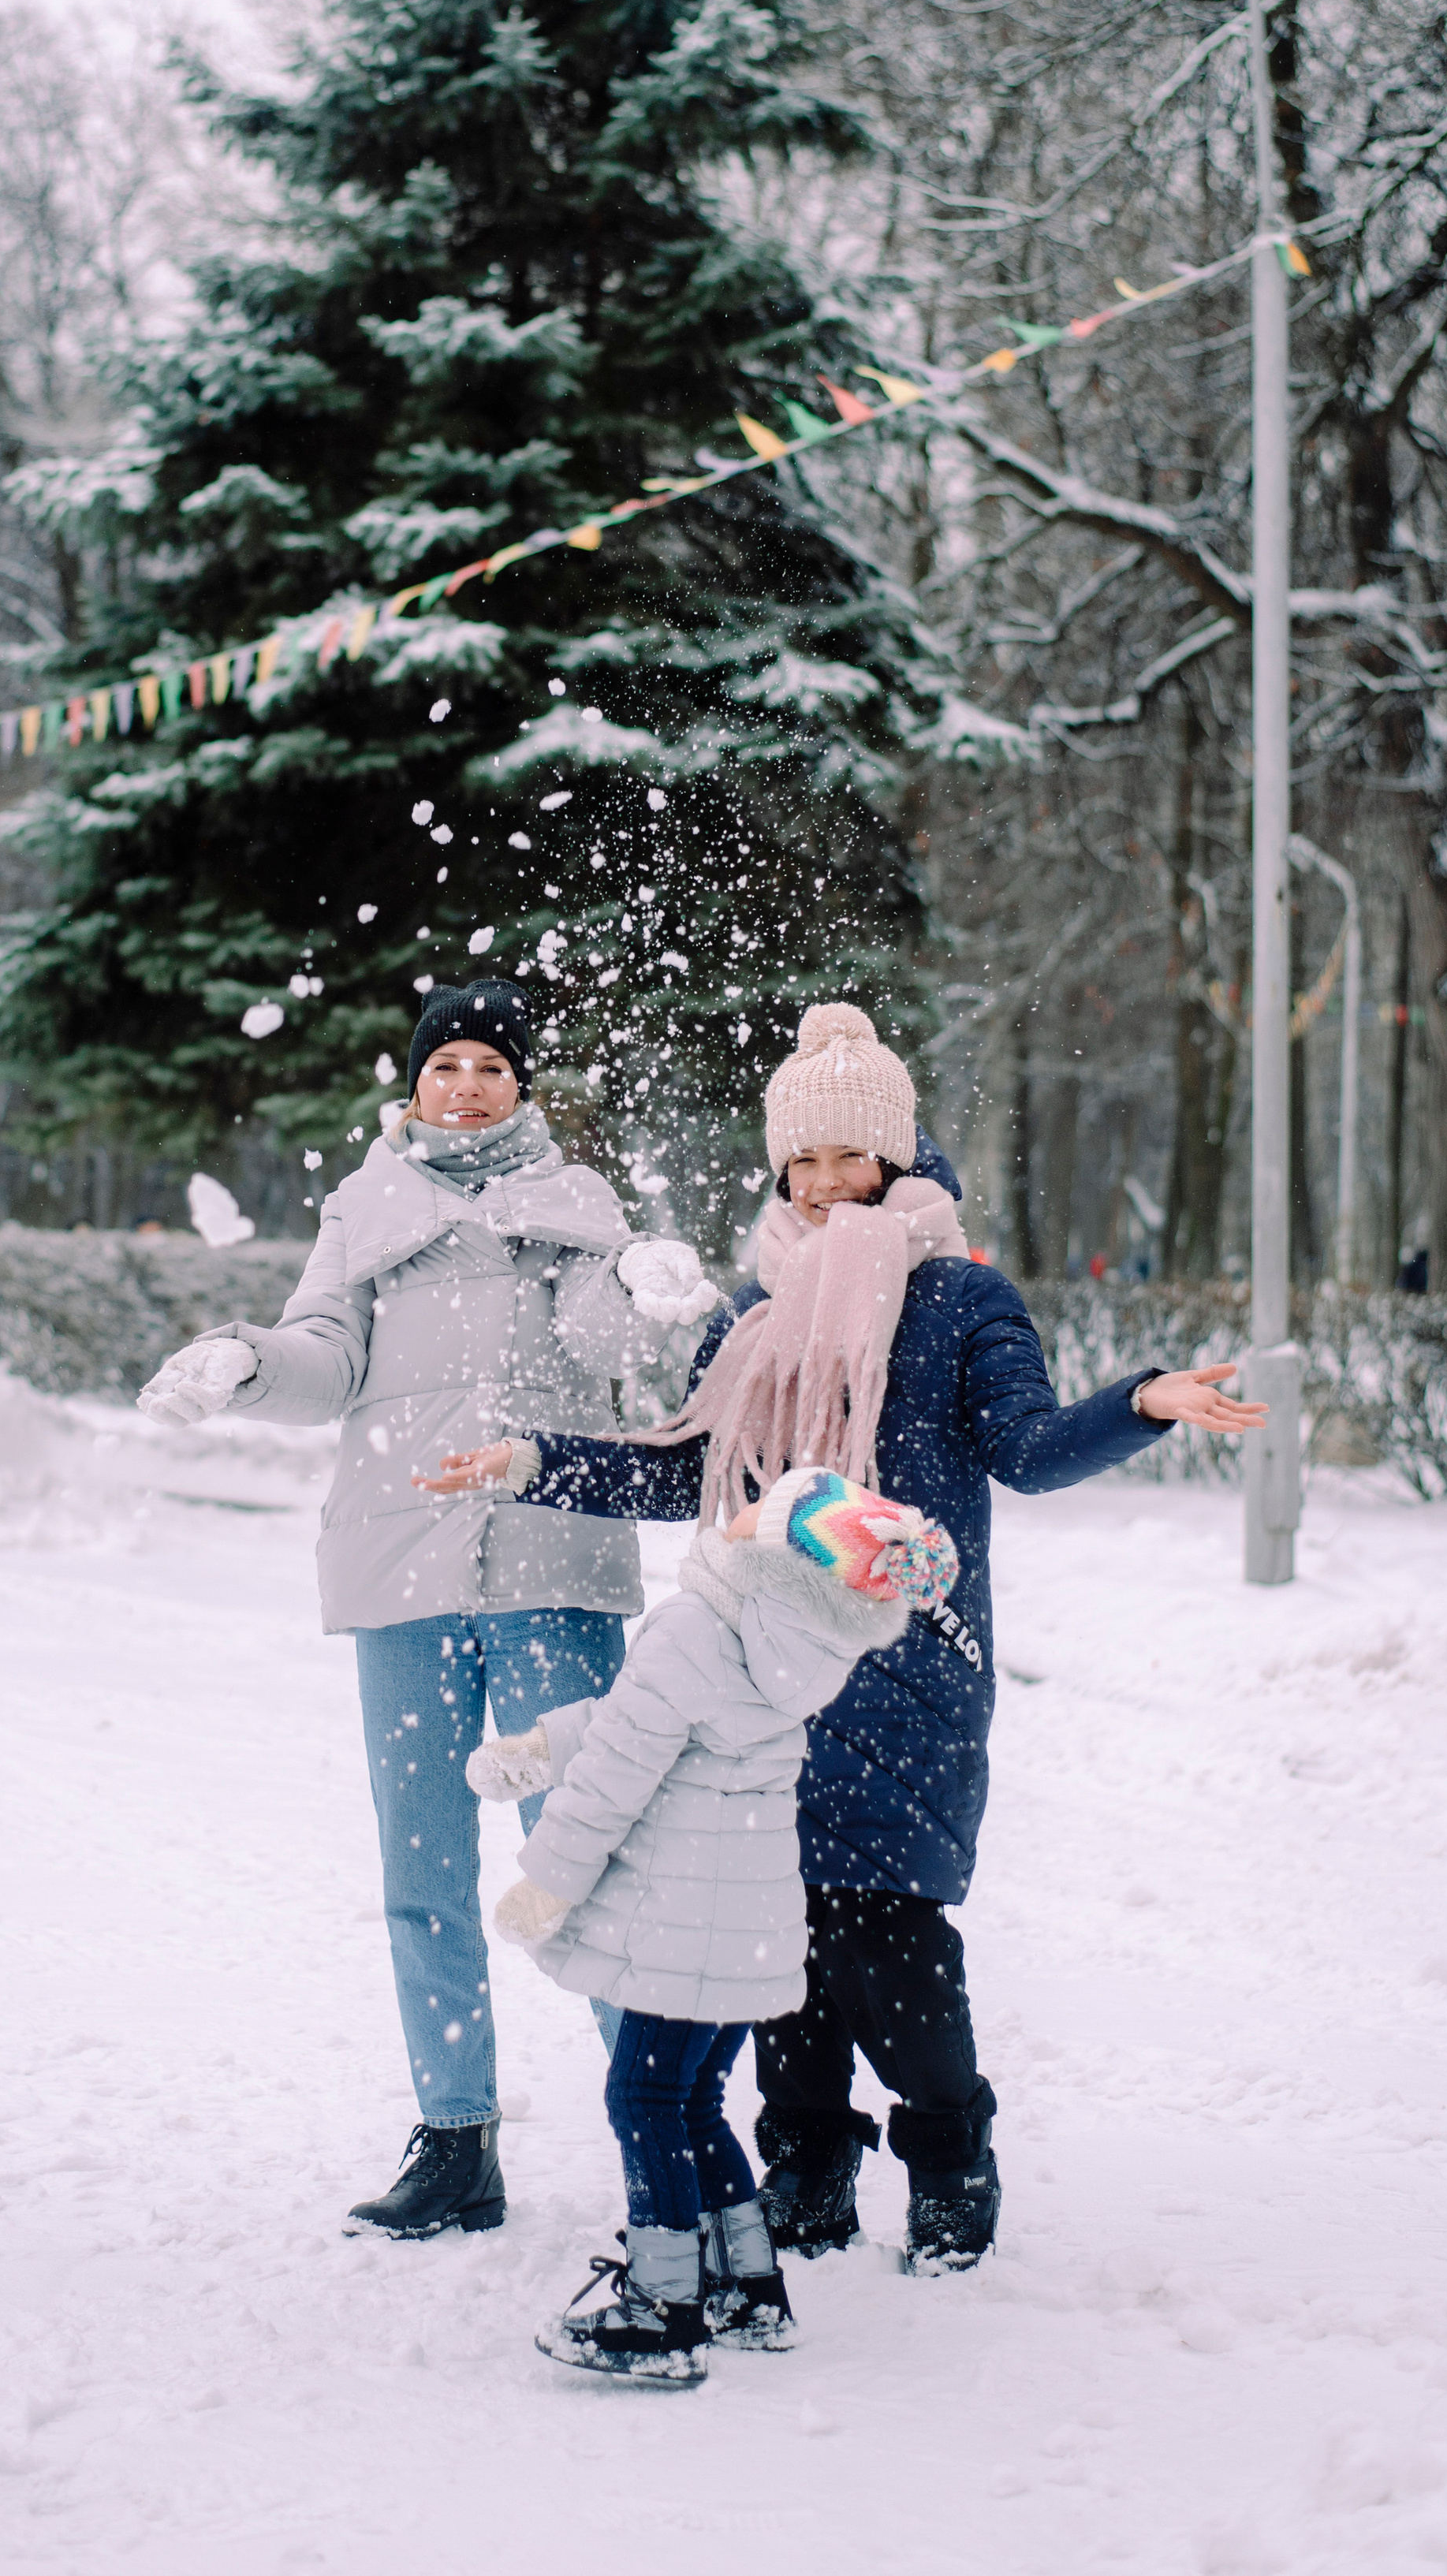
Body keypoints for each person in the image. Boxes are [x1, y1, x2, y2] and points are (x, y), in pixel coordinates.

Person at [422, 1001, 1266, 2272]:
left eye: (847, 1157)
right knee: (781, 1935)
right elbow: (690, 1476)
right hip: (771, 1675)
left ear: (898, 1154)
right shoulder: (752, 1317)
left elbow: (1028, 1452)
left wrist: (1142, 1399)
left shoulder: (964, 1301)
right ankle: (807, 2163)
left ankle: (949, 2155)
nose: (822, 1184)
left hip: (912, 1666)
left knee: (895, 1939)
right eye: (800, 1161)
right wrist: (535, 1458)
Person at [136, 977, 718, 2239]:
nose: (468, 1083)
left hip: (548, 1561)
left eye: (492, 1066)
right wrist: (243, 1362)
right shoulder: (363, 1209)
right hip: (400, 1566)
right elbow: (324, 1357)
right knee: (423, 1865)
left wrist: (652, 1286)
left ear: (522, 1088)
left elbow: (604, 1339)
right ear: (415, 1085)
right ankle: (456, 2139)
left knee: (589, 1855)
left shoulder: (577, 1203)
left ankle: (658, 2134)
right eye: (447, 1062)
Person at [474, 1460, 958, 2384]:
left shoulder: (700, 1624)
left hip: (675, 1929)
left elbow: (619, 1769)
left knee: (642, 2101)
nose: (733, 1511)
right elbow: (647, 1718)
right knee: (691, 2102)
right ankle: (748, 2287)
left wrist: (546, 1886)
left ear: (778, 1548)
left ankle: (662, 2303)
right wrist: (541, 1749)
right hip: (746, 1926)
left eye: (755, 1510)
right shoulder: (794, 1642)